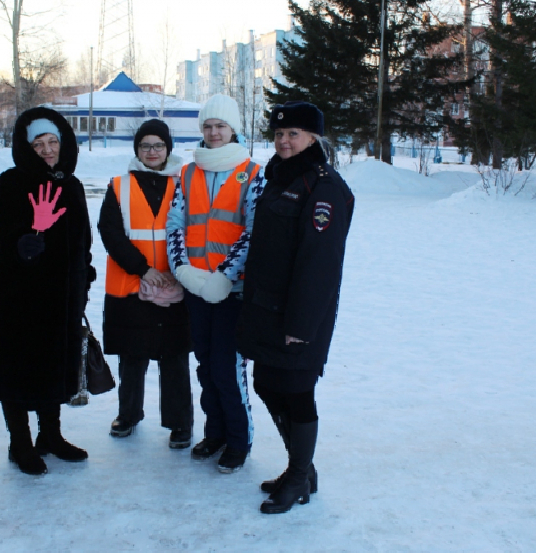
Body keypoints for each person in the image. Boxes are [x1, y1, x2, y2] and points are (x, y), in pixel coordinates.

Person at [238, 101, 354, 514]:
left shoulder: (323, 188)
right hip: (268, 308)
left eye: (295, 135)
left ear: (314, 138)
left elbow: (319, 265)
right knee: (268, 384)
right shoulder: (280, 177)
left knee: (297, 391)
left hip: (300, 314)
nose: (285, 142)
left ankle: (300, 477)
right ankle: (300, 469)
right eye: (280, 134)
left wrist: (301, 324)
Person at [0, 107, 96, 476]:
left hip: (62, 296)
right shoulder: (10, 183)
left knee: (53, 367)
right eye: (38, 143)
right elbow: (1, 234)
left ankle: (51, 436)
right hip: (19, 298)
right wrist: (29, 235)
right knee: (18, 369)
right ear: (25, 146)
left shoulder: (72, 185)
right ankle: (20, 443)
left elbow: (82, 239)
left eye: (52, 142)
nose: (47, 150)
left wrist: (85, 275)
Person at [166, 94, 262, 473]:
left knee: (228, 368)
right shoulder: (188, 174)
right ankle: (216, 433)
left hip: (230, 291)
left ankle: (238, 440)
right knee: (206, 366)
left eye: (220, 125)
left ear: (233, 128)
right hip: (195, 288)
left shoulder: (252, 173)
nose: (213, 132)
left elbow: (254, 232)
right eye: (207, 126)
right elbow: (174, 226)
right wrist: (185, 271)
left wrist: (225, 276)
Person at [98, 119, 194, 449]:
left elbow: (193, 230)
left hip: (174, 285)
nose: (151, 152)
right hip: (130, 285)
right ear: (136, 149)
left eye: (158, 145)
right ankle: (128, 415)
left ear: (168, 149)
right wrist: (143, 269)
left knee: (175, 357)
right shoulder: (119, 185)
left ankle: (180, 423)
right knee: (132, 357)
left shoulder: (185, 183)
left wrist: (178, 270)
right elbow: (109, 232)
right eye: (145, 146)